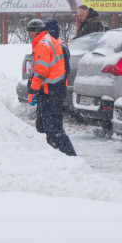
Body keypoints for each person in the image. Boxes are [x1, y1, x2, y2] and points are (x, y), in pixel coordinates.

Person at [27, 18, 76, 156]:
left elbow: (41, 70)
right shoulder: (49, 40)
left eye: (29, 31)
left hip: (51, 92)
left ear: (35, 31)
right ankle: (56, 155)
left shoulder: (43, 44)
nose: (28, 34)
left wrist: (33, 90)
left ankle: (69, 157)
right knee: (49, 127)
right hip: (54, 91)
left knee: (53, 129)